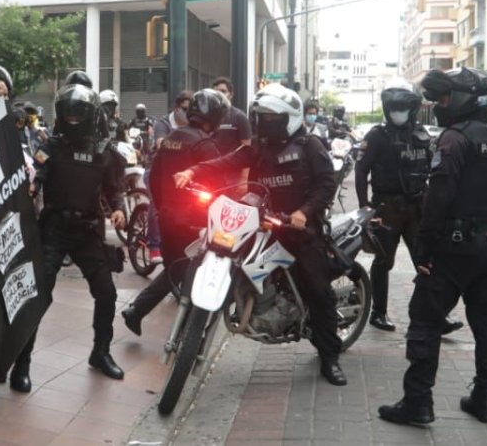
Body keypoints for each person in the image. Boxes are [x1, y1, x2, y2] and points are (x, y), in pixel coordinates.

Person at [175, 83, 347, 386]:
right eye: (260, 117)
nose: (263, 123)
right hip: (262, 225)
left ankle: (330, 358)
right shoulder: (259, 147)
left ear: (288, 117)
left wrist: (304, 212)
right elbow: (228, 160)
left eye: (270, 117)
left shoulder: (310, 145)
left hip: (301, 231)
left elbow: (326, 184)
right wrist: (194, 171)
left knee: (319, 292)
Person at [378, 67, 487, 427]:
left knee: (424, 321)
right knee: (486, 322)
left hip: (451, 250)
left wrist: (424, 250)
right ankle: (485, 399)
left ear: (464, 100)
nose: (439, 105)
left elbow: (438, 198)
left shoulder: (455, 140)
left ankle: (418, 402)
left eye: (443, 98)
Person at [10, 84, 127, 392]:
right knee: (39, 297)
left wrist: (118, 209)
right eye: (68, 113)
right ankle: (21, 365)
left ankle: (100, 352)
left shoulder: (103, 151)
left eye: (79, 114)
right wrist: (30, 189)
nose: (73, 118)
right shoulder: (50, 146)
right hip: (54, 230)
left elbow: (114, 189)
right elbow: (36, 176)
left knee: (106, 293)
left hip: (87, 232)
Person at [355, 80, 463, 335]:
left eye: (402, 107)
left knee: (424, 260)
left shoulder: (421, 134)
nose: (397, 112)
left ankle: (436, 314)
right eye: (393, 108)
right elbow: (361, 172)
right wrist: (364, 206)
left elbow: (435, 169)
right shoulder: (377, 136)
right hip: (387, 207)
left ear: (413, 108)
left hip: (417, 207)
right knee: (383, 261)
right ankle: (378, 312)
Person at [121, 89, 229, 335]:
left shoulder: (171, 139)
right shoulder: (205, 145)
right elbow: (220, 184)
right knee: (201, 268)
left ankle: (136, 311)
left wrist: (162, 208)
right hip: (196, 220)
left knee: (175, 268)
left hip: (168, 215)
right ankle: (191, 330)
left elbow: (156, 178)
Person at [147, 91, 193, 262]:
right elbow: (161, 145)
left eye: (191, 109)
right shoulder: (164, 123)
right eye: (184, 109)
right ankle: (153, 246)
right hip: (158, 169)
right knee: (156, 203)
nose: (187, 113)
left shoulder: (194, 125)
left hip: (183, 172)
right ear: (176, 107)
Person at [210, 76, 253, 155]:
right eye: (216, 92)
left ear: (231, 95)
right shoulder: (207, 117)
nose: (219, 94)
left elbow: (246, 147)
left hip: (230, 166)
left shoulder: (239, 117)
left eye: (223, 91)